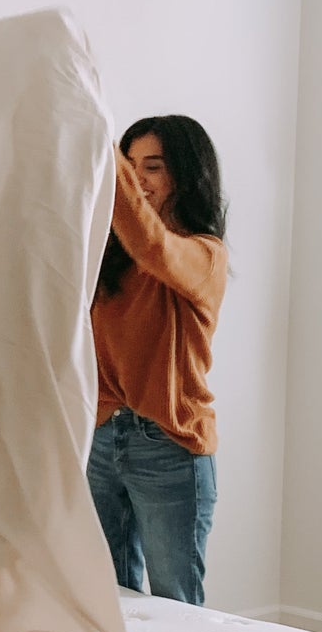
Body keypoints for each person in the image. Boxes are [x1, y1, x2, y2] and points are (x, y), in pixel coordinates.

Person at [87, 115, 227, 605]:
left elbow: (154, 246)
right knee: (107, 599)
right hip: (102, 438)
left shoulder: (204, 255)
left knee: (176, 606)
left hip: (169, 444)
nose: (137, 178)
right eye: (129, 164)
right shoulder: (106, 258)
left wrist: (95, 145)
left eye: (153, 167)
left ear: (184, 177)